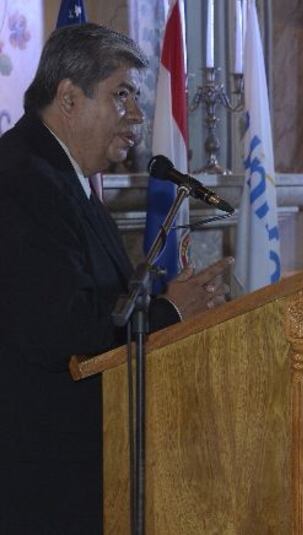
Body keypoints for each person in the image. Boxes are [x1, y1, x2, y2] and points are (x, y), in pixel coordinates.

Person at [0, 24, 231, 533]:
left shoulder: (65, 178)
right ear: (68, 97)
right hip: (42, 475)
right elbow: (57, 329)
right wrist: (171, 310)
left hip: (75, 462)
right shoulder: (23, 179)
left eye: (135, 98)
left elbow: (102, 300)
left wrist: (171, 300)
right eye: (120, 95)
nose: (136, 115)